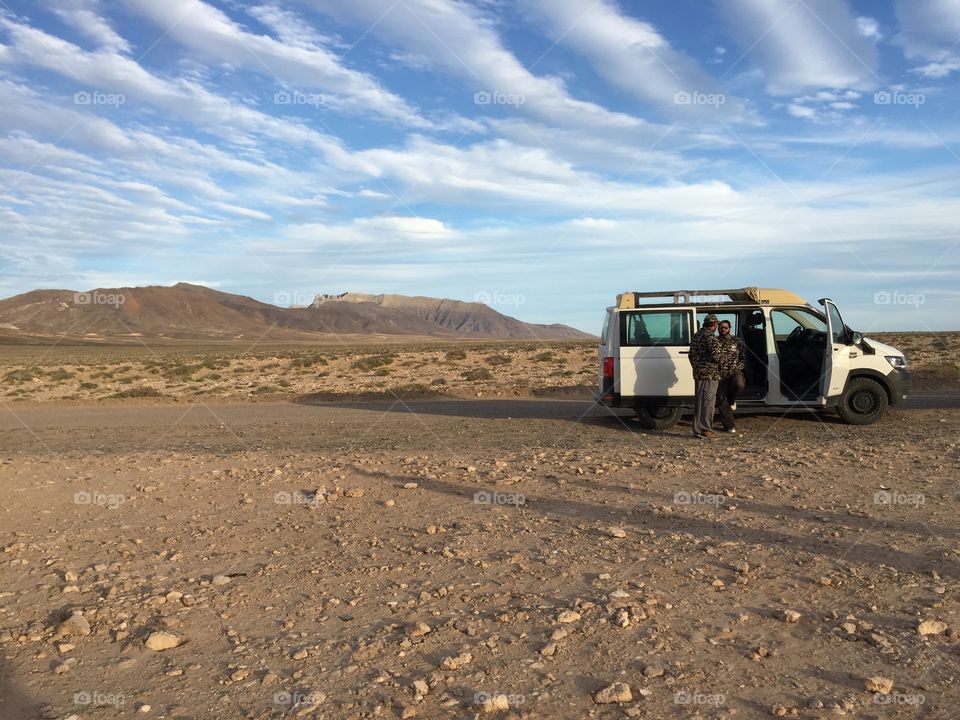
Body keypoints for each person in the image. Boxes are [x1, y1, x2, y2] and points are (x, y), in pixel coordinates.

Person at [688, 313, 721, 439]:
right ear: (714, 324)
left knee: (700, 402)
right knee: (708, 402)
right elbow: (717, 356)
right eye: (717, 324)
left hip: (698, 374)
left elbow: (690, 355)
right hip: (709, 374)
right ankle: (706, 429)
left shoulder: (697, 336)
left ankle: (697, 429)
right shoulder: (710, 337)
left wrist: (697, 367)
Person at [716, 320, 746, 433]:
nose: (723, 329)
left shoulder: (737, 341)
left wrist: (738, 367)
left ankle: (733, 400)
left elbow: (743, 358)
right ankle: (729, 426)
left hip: (734, 371)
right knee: (721, 399)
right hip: (720, 374)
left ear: (730, 328)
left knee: (739, 384)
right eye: (721, 328)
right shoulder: (715, 341)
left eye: (725, 328)